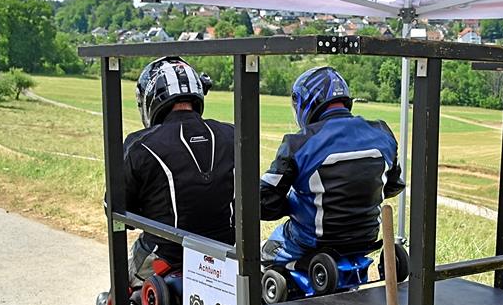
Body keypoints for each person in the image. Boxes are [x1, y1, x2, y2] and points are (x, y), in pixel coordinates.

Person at [260, 66, 405, 265]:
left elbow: (264, 201)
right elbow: (394, 185)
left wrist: (293, 205)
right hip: (366, 237)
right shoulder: (383, 133)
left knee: (266, 251)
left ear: (305, 103)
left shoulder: (298, 143)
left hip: (314, 242)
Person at [119, 56, 235, 286]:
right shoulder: (233, 135)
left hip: (166, 259)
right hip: (228, 254)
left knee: (115, 294)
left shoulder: (140, 144)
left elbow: (118, 210)